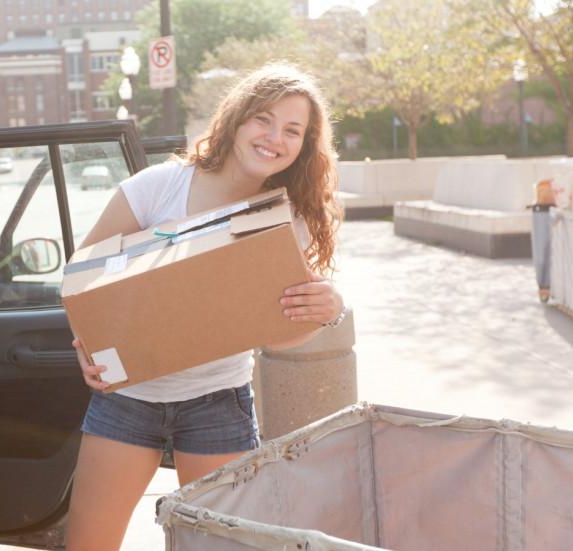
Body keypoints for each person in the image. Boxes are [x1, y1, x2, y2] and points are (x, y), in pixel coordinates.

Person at [66, 62, 345, 551]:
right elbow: (81, 279)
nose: (274, 136)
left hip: (219, 403)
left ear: (304, 145)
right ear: (238, 118)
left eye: (292, 130)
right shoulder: (159, 187)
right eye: (264, 118)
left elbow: (275, 334)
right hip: (129, 398)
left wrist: (325, 311)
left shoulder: (287, 222)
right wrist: (86, 349)